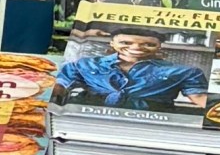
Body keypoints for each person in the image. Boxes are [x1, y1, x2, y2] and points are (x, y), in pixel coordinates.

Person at [57, 31, 210, 111]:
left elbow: (199, 96)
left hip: (151, 127)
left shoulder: (185, 71)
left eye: (148, 44)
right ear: (113, 43)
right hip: (89, 120)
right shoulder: (84, 64)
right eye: (125, 42)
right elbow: (60, 87)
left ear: (159, 47)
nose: (136, 48)